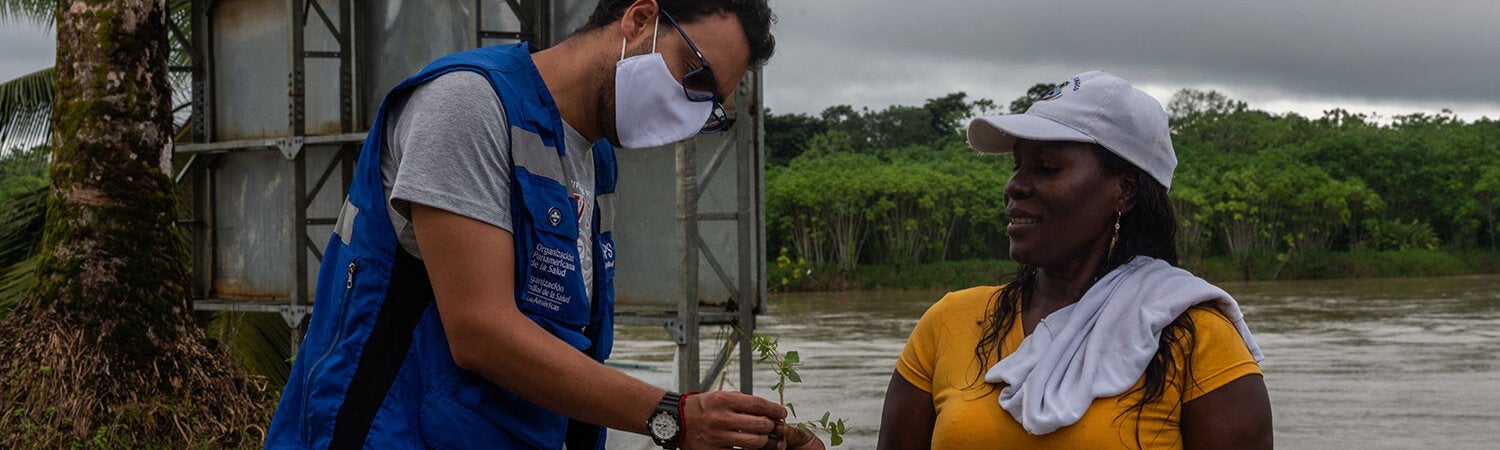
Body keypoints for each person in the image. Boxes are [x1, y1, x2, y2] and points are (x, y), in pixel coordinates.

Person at [265, 1, 823, 448]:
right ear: (640, 19)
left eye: (712, 107)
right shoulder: (468, 106)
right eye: (694, 77)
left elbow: (570, 349)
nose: (693, 110)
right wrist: (673, 417)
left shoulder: (596, 161)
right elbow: (482, 333)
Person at [877, 71, 1273, 449]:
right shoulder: (948, 322)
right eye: (1018, 165)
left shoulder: (1197, 340)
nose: (1014, 185)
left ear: (1125, 192)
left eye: (1046, 167)